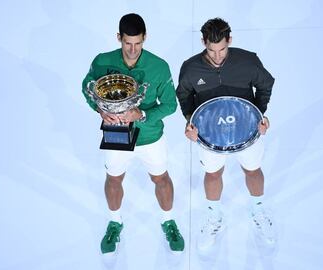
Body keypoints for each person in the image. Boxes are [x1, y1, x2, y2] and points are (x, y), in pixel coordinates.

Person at [82, 13, 184, 255]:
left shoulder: (159, 66)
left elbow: (170, 105)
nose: (132, 49)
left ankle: (168, 221)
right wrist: (98, 108)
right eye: (128, 43)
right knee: (114, 179)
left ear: (145, 38)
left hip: (150, 136)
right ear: (119, 38)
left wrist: (143, 115)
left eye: (138, 43)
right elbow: (87, 87)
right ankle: (115, 222)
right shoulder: (101, 61)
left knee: (161, 178)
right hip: (116, 133)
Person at [176, 18, 275, 251]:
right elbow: (183, 96)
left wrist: (260, 114)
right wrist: (191, 121)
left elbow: (265, 85)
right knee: (212, 174)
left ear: (229, 40)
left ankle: (258, 209)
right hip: (209, 133)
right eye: (211, 50)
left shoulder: (248, 61)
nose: (217, 56)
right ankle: (214, 217)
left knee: (252, 170)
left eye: (222, 49)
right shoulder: (190, 68)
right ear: (203, 43)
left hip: (247, 128)